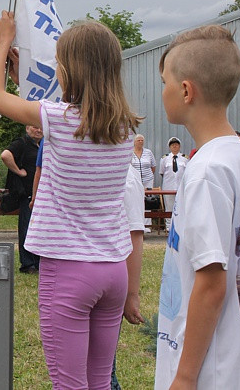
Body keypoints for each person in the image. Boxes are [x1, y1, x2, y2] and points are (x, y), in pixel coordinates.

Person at [0, 12, 140, 389]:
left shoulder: (57, 118)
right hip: (113, 270)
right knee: (99, 382)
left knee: (69, 384)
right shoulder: (124, 127)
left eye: (59, 62)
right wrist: (22, 77)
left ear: (70, 70)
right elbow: (65, 112)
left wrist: (4, 41)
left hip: (70, 270)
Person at [155, 25, 240, 389]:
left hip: (213, 371)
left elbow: (211, 284)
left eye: (165, 82)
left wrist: (185, 376)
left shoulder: (206, 171)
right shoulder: (235, 154)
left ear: (186, 90)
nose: (163, 91)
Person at [111, 165, 147, 389]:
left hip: (108, 276)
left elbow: (134, 233)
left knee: (103, 371)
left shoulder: (127, 175)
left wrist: (131, 294)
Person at [1, 125, 42, 274]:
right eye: (35, 127)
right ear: (27, 128)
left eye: (41, 128)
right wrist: (18, 171)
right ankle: (27, 264)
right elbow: (5, 155)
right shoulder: (22, 143)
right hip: (27, 194)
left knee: (38, 229)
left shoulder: (40, 145)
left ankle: (37, 262)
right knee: (27, 228)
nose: (39, 130)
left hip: (40, 194)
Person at [157, 137, 187, 217]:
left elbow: (187, 172)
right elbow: (162, 172)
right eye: (172, 145)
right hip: (168, 187)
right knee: (169, 208)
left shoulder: (185, 158)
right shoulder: (164, 158)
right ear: (169, 147)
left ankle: (180, 224)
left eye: (176, 144)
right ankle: (168, 224)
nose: (174, 146)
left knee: (181, 208)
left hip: (181, 187)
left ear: (179, 146)